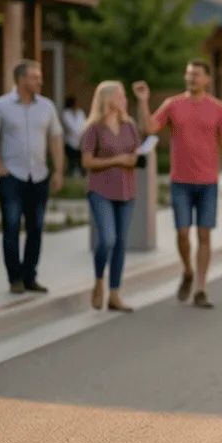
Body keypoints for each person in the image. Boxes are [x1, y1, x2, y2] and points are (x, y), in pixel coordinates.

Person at [134, 60, 222, 309]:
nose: (191, 78)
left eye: (197, 75)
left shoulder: (219, 109)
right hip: (180, 181)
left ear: (207, 79)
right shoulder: (173, 105)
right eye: (188, 74)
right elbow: (149, 128)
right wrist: (143, 101)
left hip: (208, 182)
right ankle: (188, 270)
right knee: (182, 233)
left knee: (204, 235)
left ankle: (201, 288)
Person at [0, 60, 64, 294]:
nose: (40, 80)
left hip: (39, 176)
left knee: (36, 228)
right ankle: (14, 278)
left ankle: (30, 276)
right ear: (21, 79)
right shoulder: (1, 106)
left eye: (39, 76)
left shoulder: (47, 107)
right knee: (11, 226)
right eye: (35, 77)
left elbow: (56, 139)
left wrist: (58, 170)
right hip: (12, 177)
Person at [80, 81, 141, 312]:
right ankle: (98, 282)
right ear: (106, 99)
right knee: (107, 239)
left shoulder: (129, 125)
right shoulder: (93, 128)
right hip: (101, 191)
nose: (124, 99)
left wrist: (135, 158)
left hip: (126, 191)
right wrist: (117, 160)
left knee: (121, 243)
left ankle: (114, 294)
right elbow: (86, 162)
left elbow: (135, 155)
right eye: (120, 95)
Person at [61, 96, 87, 178]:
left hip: (81, 142)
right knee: (72, 160)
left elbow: (84, 125)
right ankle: (70, 174)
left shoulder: (81, 112)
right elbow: (71, 128)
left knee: (81, 161)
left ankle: (82, 175)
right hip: (70, 143)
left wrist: (82, 137)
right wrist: (79, 133)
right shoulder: (65, 113)